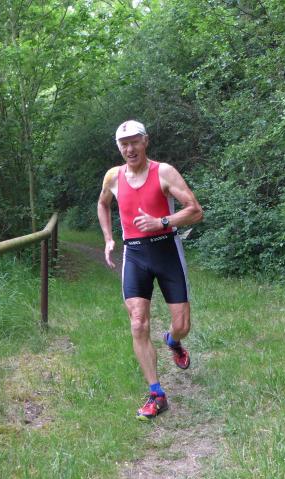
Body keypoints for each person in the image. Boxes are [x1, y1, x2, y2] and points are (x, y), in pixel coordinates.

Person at [97, 119, 203, 420]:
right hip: (135, 255)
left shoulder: (164, 172)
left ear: (145, 142)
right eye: (123, 144)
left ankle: (173, 340)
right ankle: (157, 394)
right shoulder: (113, 177)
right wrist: (108, 238)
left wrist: (162, 222)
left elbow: (195, 211)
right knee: (138, 323)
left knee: (182, 324)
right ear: (119, 147)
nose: (129, 149)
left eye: (134, 142)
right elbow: (103, 204)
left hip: (166, 250)